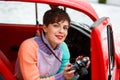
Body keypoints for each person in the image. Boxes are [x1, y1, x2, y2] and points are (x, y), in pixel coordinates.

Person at [15, 7, 90, 80]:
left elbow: (64, 77)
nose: (61, 31)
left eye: (65, 28)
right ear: (45, 28)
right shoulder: (29, 47)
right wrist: (62, 76)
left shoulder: (63, 48)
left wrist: (76, 70)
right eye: (56, 26)